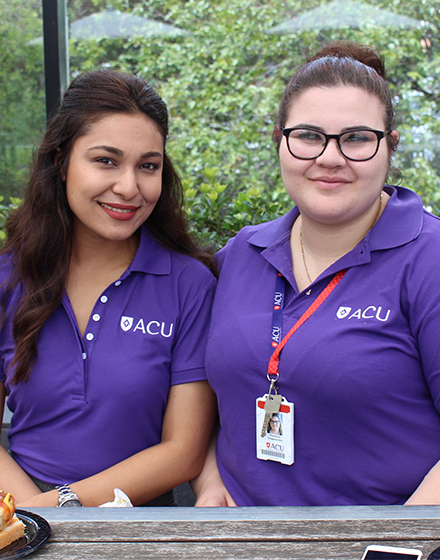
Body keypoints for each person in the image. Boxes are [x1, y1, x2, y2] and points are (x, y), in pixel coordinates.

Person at [193, 40, 440, 507]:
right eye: (308, 135)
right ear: (279, 140)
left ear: (389, 146)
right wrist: (208, 481)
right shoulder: (241, 255)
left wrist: (397, 543)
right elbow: (203, 402)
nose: (329, 157)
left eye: (357, 138)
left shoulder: (429, 259)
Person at [0, 69, 217, 507]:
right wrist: (23, 514)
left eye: (148, 166)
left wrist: (56, 509)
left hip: (139, 518)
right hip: (17, 506)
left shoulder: (189, 285)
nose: (128, 187)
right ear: (60, 161)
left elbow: (183, 451)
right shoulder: (9, 276)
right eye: (105, 161)